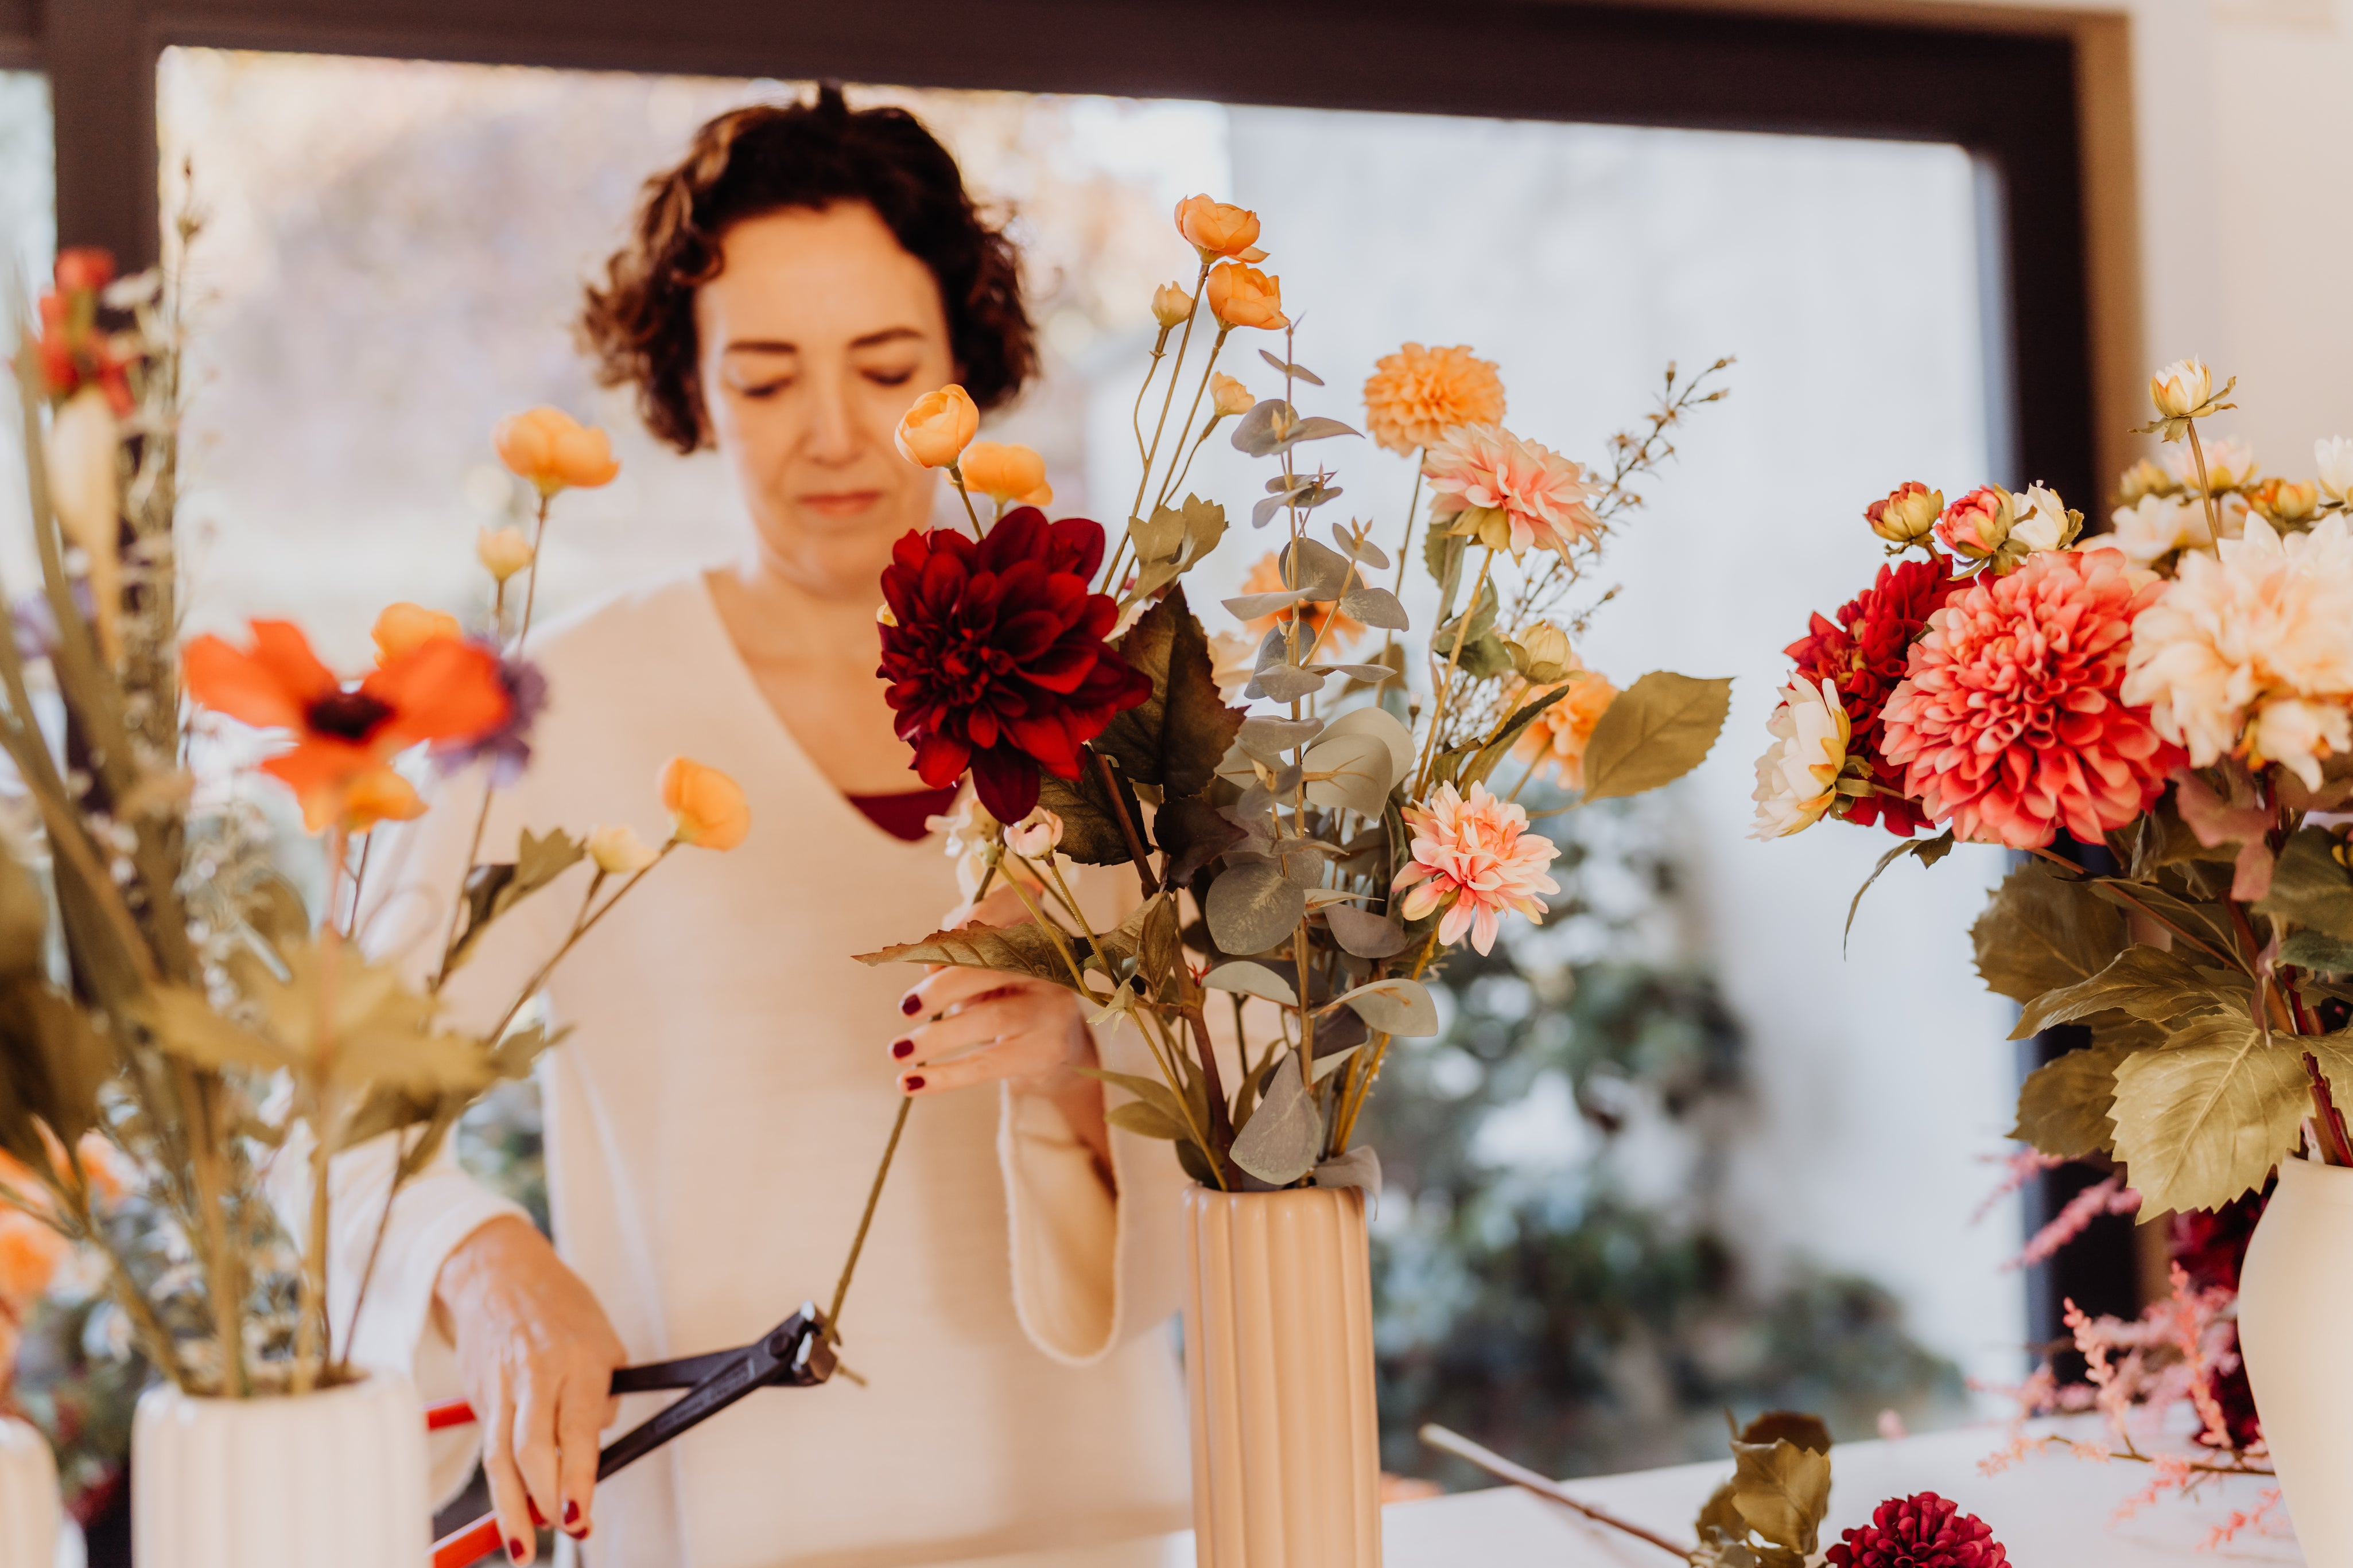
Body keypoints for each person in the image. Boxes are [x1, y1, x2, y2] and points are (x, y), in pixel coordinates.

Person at [310, 88, 1190, 1567]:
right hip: (732, 1531)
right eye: (767, 378)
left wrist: (1073, 1071)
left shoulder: (1113, 705)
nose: (834, 434)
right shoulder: (558, 712)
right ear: (691, 387)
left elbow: (1230, 1162)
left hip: (1109, 1519)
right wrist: (485, 1262)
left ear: (965, 368)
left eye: (887, 366)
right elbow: (330, 1109)